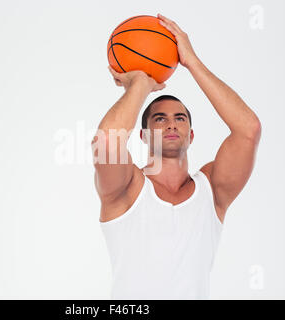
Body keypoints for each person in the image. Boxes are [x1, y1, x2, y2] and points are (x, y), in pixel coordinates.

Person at [91, 13, 261, 299]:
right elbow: (107, 141)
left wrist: (191, 62)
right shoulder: (127, 190)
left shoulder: (212, 190)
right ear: (143, 136)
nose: (171, 123)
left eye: (180, 118)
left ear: (191, 135)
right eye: (159, 119)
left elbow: (248, 129)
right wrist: (142, 84)